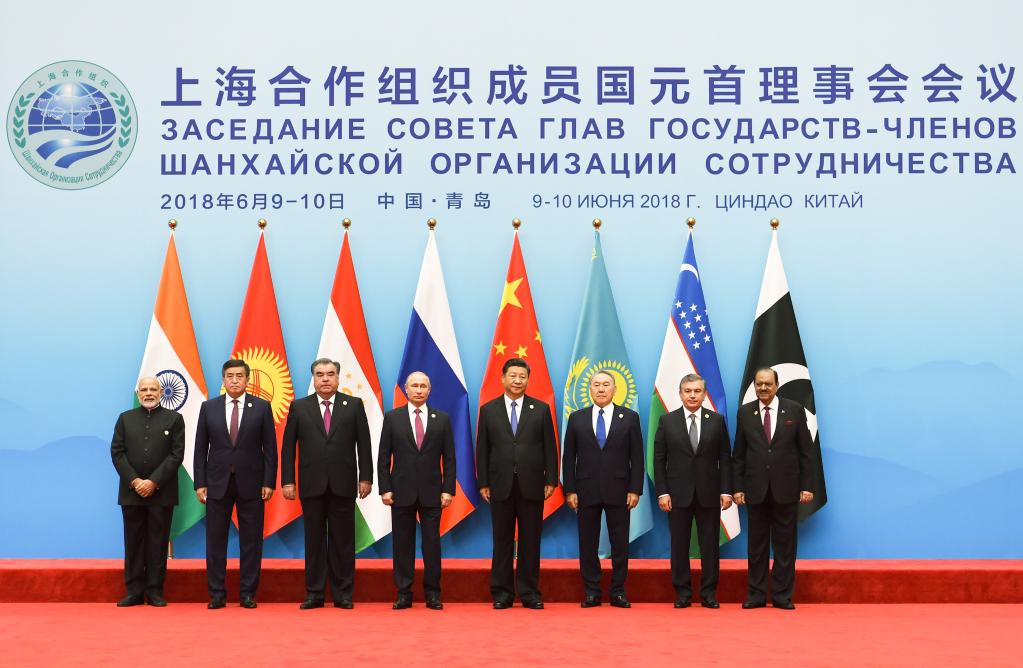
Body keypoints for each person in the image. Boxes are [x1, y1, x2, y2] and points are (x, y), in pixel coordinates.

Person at [281, 358, 372, 609]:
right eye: (320, 374)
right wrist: (287, 481)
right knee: (314, 540)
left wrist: (366, 477)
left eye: (330, 374)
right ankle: (315, 593)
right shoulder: (299, 407)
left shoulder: (353, 405)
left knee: (343, 541)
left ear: (338, 377)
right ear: (313, 378)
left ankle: (343, 594)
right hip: (311, 484)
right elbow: (288, 448)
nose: (325, 379)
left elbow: (364, 444)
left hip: (343, 484)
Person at [193, 359, 277, 609]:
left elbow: (270, 449)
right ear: (223, 379)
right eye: (230, 376)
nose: (235, 380)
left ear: (247, 379)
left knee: (251, 541)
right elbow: (200, 449)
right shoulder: (209, 407)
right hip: (217, 483)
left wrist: (269, 481)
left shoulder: (261, 407)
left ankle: (248, 593)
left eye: (240, 376)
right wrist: (200, 482)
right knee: (215, 541)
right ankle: (216, 594)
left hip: (252, 483)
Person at [476, 358, 558, 609]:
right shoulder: (488, 410)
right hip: (499, 485)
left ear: (528, 380)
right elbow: (482, 450)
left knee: (530, 541)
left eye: (522, 376)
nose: (517, 380)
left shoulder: (540, 409)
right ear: (503, 378)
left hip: (532, 484)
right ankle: (502, 594)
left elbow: (550, 447)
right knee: (501, 541)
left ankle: (530, 593)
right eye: (512, 376)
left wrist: (551, 479)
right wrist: (483, 482)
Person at [733, 367, 816, 610]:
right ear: (754, 386)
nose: (763, 388)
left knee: (785, 547)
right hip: (755, 490)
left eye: (768, 384)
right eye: (759, 384)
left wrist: (807, 486)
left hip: (786, 489)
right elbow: (739, 454)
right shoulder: (745, 412)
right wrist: (737, 488)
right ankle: (756, 595)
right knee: (756, 547)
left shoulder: (794, 410)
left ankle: (782, 596)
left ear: (777, 385)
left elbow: (806, 453)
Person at [562, 370, 644, 608]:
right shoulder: (576, 418)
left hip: (620, 490)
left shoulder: (629, 417)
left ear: (614, 389)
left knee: (620, 544)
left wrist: (635, 489)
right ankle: (591, 591)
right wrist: (570, 490)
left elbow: (637, 457)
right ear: (590, 389)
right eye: (596, 384)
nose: (601, 389)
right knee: (588, 543)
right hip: (585, 490)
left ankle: (618, 591)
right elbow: (569, 458)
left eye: (606, 384)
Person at [652, 373, 733, 609]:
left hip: (710, 494)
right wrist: (663, 492)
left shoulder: (716, 421)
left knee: (710, 546)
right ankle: (682, 593)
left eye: (697, 391)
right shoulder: (667, 421)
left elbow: (725, 458)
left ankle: (709, 594)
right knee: (679, 545)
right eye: (688, 391)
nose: (692, 395)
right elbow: (659, 460)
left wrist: (726, 491)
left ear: (704, 394)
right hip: (677, 495)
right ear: (680, 393)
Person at [378, 371, 456, 610]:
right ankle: (404, 593)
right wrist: (385, 488)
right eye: (415, 386)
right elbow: (383, 457)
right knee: (403, 544)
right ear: (406, 389)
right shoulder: (393, 418)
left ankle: (433, 593)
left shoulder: (442, 419)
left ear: (429, 390)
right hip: (400, 492)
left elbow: (450, 458)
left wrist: (448, 489)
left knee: (432, 544)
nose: (419, 390)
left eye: (423, 386)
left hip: (433, 493)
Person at [110, 376, 185, 607]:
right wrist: (135, 481)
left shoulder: (174, 419)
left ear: (161, 392)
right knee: (133, 543)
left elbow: (176, 455)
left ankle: (154, 591)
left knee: (158, 543)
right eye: (144, 389)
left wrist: (153, 482)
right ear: (138, 393)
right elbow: (117, 453)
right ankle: (134, 592)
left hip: (161, 493)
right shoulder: (125, 419)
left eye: (153, 389)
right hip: (131, 492)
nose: (149, 393)